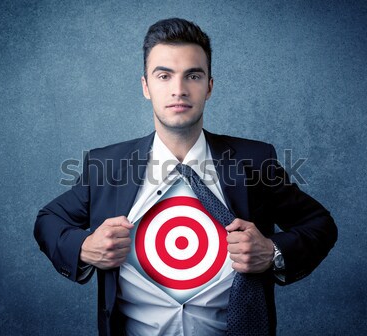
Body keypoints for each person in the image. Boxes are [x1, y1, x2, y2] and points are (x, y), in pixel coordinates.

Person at [34, 18, 337, 336]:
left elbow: (320, 225)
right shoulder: (105, 165)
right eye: (164, 75)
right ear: (146, 87)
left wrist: (272, 252)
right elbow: (48, 220)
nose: (178, 90)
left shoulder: (255, 161)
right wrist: (84, 247)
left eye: (192, 75)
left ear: (209, 86)